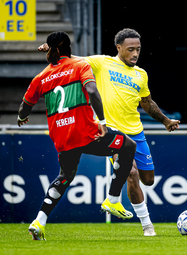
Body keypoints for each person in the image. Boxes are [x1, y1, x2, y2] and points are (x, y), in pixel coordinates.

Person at [39, 28, 180, 236]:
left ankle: (123, 197)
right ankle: (147, 226)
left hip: (137, 133)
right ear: (119, 48)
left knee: (147, 179)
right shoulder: (102, 62)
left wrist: (166, 121)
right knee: (131, 173)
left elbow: (148, 104)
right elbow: (74, 59)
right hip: (111, 132)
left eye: (138, 50)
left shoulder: (141, 75)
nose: (135, 54)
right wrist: (53, 50)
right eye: (130, 49)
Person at [20, 31, 136, 241]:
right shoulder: (80, 66)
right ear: (69, 48)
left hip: (63, 139)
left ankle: (39, 221)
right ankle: (112, 198)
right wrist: (102, 122)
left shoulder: (42, 76)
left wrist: (21, 118)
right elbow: (92, 91)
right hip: (87, 133)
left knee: (65, 177)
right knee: (128, 146)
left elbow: (25, 105)